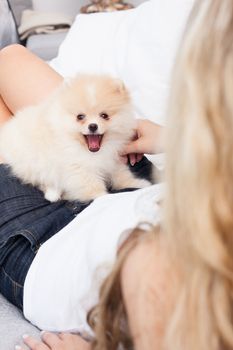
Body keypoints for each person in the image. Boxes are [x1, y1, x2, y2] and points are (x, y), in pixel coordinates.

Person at [11, 0, 233, 349]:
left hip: (49, 245)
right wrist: (173, 137)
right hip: (131, 185)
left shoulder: (159, 274)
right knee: (11, 60)